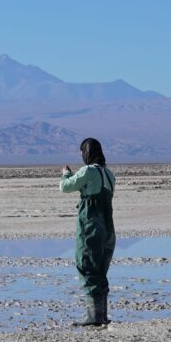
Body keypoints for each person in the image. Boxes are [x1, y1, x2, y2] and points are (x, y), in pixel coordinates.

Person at [59, 137, 116, 326]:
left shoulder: (88, 171)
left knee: (87, 265)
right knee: (100, 269)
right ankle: (102, 315)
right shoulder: (109, 174)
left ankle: (94, 317)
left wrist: (66, 174)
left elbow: (65, 187)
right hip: (108, 229)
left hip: (91, 226)